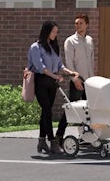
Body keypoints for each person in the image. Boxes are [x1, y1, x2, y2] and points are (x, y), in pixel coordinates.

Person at [26, 20, 81, 155]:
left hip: (52, 85)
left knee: (46, 112)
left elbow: (60, 66)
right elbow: (41, 68)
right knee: (47, 111)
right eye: (53, 31)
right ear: (46, 31)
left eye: (56, 32)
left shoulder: (53, 47)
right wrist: (55, 77)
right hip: (41, 82)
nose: (56, 34)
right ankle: (52, 141)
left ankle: (41, 141)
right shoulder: (35, 47)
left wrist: (70, 72)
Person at [62, 13, 95, 107]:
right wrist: (75, 79)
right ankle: (64, 123)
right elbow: (69, 62)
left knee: (88, 109)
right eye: (76, 23)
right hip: (78, 80)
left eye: (81, 23)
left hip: (89, 81)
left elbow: (91, 61)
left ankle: (83, 123)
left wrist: (92, 79)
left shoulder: (90, 40)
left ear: (87, 25)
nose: (78, 25)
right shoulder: (70, 41)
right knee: (73, 108)